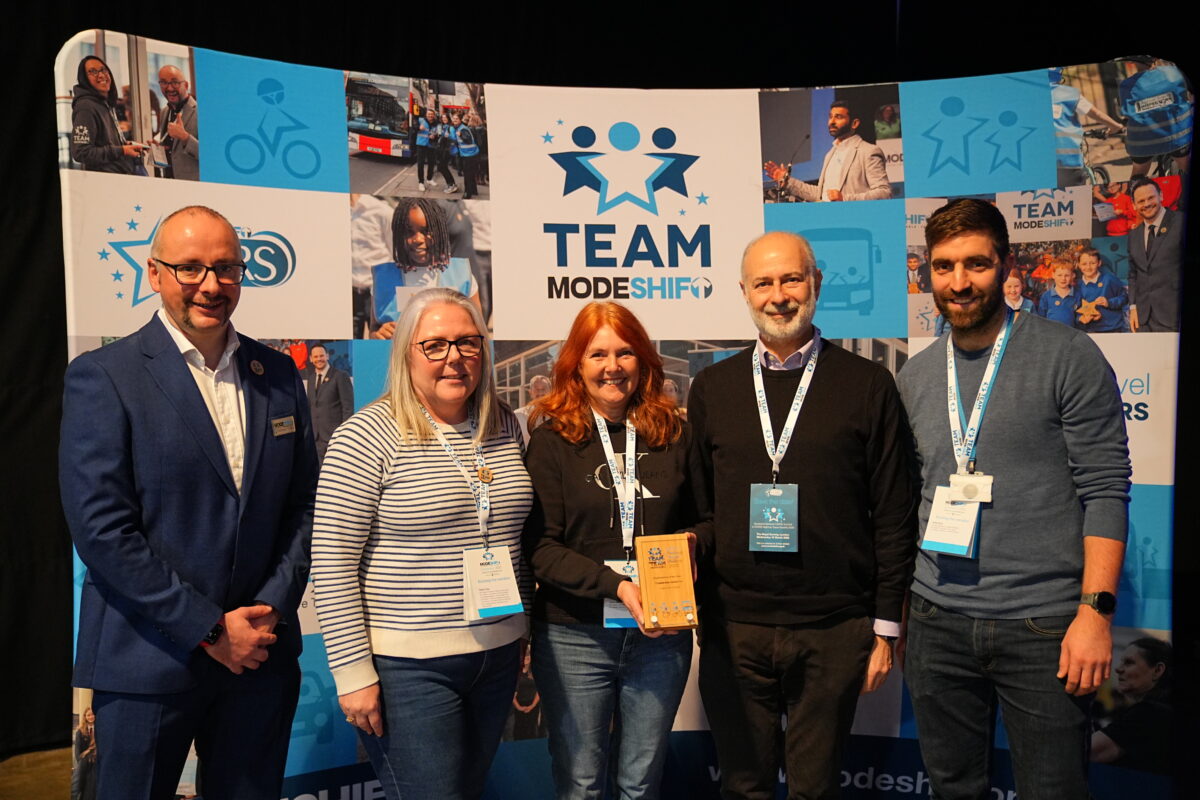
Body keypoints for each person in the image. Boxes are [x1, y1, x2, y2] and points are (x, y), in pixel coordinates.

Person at [60, 205, 318, 799]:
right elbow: (102, 533)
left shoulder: (277, 374)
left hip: (260, 656)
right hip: (146, 660)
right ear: (154, 274)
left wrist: (270, 610)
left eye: (226, 268)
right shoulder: (104, 376)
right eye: (191, 268)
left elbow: (304, 505)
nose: (211, 284)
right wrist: (208, 629)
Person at [897, 198, 1130, 800]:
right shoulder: (917, 376)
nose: (959, 282)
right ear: (928, 273)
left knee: (1054, 790)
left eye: (975, 264)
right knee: (952, 788)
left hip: (1045, 627)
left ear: (1004, 265)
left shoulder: (1068, 356)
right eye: (944, 267)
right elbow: (906, 501)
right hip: (935, 621)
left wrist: (1096, 615)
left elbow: (1105, 489)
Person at [688, 231, 916, 799]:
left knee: (816, 789)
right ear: (744, 291)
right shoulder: (713, 387)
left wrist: (886, 629)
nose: (779, 295)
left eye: (791, 278)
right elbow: (700, 505)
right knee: (743, 786)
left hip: (834, 629)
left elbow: (893, 513)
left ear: (816, 283)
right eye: (763, 282)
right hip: (733, 626)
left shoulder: (868, 384)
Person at [311, 287, 532, 800]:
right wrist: (351, 673)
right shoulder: (366, 436)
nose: (454, 358)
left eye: (467, 343)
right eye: (434, 345)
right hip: (409, 670)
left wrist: (526, 633)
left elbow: (514, 538)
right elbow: (332, 563)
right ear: (406, 352)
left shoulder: (506, 425)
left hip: (497, 656)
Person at [523, 302, 697, 799]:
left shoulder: (674, 433)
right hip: (574, 637)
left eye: (624, 353)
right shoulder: (552, 438)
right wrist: (619, 586)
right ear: (576, 363)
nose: (612, 366)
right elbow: (542, 547)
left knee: (641, 782)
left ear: (643, 361)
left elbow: (707, 519)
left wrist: (691, 543)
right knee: (580, 782)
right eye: (597, 354)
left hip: (660, 635)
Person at [371, 197, 481, 340]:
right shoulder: (383, 278)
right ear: (398, 234)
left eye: (426, 231)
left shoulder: (461, 275)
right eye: (409, 232)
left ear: (440, 231)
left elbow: (478, 331)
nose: (418, 239)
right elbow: (373, 329)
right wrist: (377, 335)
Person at [763, 100, 892, 202]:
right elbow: (820, 195)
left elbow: (884, 192)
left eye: (838, 117)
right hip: (829, 220)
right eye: (830, 117)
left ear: (854, 123)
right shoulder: (830, 154)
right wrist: (787, 182)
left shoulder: (868, 151)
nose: (832, 122)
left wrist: (845, 199)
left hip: (854, 221)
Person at [1091, 637, 1172, 774]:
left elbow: (1088, 752)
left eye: (1128, 663)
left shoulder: (1149, 713)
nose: (1118, 669)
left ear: (1158, 670)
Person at [70, 56, 144, 173]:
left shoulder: (105, 103)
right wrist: (121, 150)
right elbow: (81, 152)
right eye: (92, 72)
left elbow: (105, 142)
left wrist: (126, 146)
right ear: (84, 78)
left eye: (103, 70)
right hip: (105, 182)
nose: (101, 75)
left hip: (120, 177)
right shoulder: (86, 107)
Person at [1126, 177, 1181, 332]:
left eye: (1151, 197)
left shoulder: (1181, 223)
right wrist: (1133, 306)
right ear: (1134, 205)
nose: (1147, 204)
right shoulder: (1134, 235)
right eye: (1141, 201)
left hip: (1174, 317)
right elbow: (1133, 273)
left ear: (1161, 196)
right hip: (1143, 320)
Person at [306, 343, 354, 463]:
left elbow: (348, 408)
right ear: (311, 359)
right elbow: (311, 406)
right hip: (316, 438)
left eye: (321, 356)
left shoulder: (340, 376)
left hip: (335, 437)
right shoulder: (311, 379)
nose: (319, 359)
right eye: (315, 357)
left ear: (327, 356)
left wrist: (343, 434)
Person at [155, 65, 199, 180]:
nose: (169, 88)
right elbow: (172, 150)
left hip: (194, 186)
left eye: (175, 82)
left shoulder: (202, 112)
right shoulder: (165, 112)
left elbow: (212, 155)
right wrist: (159, 147)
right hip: (169, 183)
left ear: (186, 85)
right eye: (164, 83)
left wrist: (185, 137)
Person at [1074, 248, 1129, 333]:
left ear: (1099, 263)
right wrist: (1081, 318)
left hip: (1114, 328)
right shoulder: (1077, 286)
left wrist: (1109, 303)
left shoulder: (1109, 279)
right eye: (1084, 264)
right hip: (1091, 331)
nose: (1088, 267)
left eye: (1092, 263)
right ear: (1078, 265)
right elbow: (1074, 310)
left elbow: (1125, 297)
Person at [1035, 259, 1080, 326]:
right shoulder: (1046, 296)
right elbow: (1041, 318)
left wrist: (1083, 318)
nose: (1063, 279)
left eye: (1067, 275)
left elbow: (1078, 317)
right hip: (1051, 333)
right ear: (1053, 275)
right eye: (1059, 275)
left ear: (1072, 275)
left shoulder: (1077, 295)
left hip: (1070, 333)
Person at [513, 373, 552, 445]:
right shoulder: (518, 416)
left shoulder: (559, 416)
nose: (540, 392)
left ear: (551, 392)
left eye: (544, 388)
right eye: (536, 389)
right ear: (530, 393)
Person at [71, 708, 98, 800]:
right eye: (88, 715)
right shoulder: (80, 731)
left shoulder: (100, 729)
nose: (91, 717)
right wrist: (82, 763)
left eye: (92, 714)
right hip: (84, 762)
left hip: (96, 762)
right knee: (78, 785)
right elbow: (77, 753)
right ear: (85, 717)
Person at [455, 111, 481, 200]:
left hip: (469, 154)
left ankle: (467, 193)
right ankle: (474, 190)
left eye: (456, 119)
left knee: (467, 175)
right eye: (453, 119)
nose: (455, 120)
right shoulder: (461, 127)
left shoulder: (462, 129)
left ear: (460, 120)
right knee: (471, 173)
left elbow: (468, 140)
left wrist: (461, 135)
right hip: (471, 153)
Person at [437, 111, 461, 194]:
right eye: (442, 118)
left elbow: (454, 139)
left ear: (448, 118)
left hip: (448, 151)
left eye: (445, 118)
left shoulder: (450, 128)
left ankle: (451, 185)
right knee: (442, 167)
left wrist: (448, 136)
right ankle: (451, 184)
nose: (444, 119)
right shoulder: (444, 127)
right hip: (444, 150)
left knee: (442, 167)